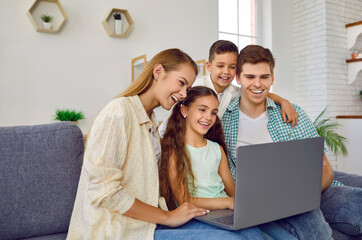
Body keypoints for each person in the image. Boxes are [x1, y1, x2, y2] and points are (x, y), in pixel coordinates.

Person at [67, 49, 217, 240]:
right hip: (116, 230)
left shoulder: (150, 119)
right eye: (181, 83)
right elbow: (105, 192)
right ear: (158, 72)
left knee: (245, 233)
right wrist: (168, 217)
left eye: (187, 88)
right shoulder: (118, 113)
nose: (183, 94)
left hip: (147, 224)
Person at [222, 44, 362, 239]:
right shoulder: (222, 120)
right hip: (265, 204)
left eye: (264, 77)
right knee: (312, 222)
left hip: (313, 191)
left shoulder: (291, 114)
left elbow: (324, 167)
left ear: (272, 78)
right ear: (238, 78)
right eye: (250, 77)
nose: (257, 84)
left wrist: (302, 196)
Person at [159, 86, 298, 240]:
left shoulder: (216, 149)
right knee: (255, 237)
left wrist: (253, 198)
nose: (208, 117)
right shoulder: (175, 152)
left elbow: (232, 190)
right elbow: (185, 200)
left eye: (213, 112)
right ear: (184, 111)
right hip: (200, 214)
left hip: (227, 211)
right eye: (202, 109)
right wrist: (227, 202)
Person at [159, 40, 298, 137]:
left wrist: (283, 101)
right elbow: (174, 118)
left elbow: (259, 93)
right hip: (178, 137)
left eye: (232, 67)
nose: (226, 72)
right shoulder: (196, 87)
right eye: (220, 66)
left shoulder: (234, 92)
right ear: (209, 66)